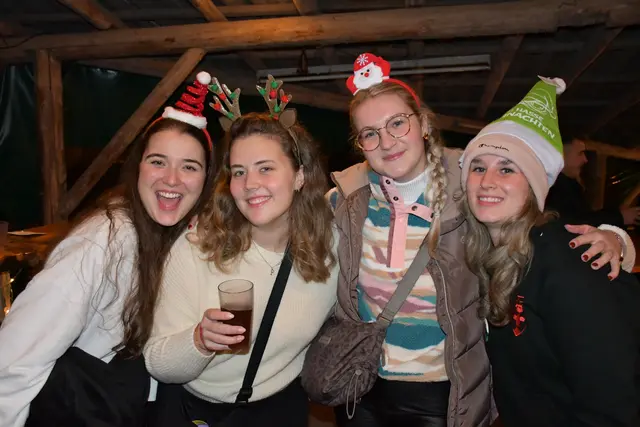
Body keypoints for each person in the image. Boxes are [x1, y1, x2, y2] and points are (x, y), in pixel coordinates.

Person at [323, 53, 634, 427]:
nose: (387, 141)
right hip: (363, 382)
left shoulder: (468, 182)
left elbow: (538, 225)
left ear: (423, 123)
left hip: (444, 390)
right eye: (370, 133)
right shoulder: (346, 200)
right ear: (360, 144)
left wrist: (615, 239)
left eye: (398, 123)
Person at [0, 72, 217, 427]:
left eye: (189, 167)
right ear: (138, 167)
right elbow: (15, 356)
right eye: (158, 161)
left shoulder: (174, 237)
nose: (172, 179)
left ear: (206, 179)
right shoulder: (103, 239)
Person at [144, 76, 338, 427]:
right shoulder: (197, 248)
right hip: (199, 413)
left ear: (299, 176)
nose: (250, 184)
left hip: (281, 411)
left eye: (266, 168)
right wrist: (201, 340)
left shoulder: (331, 248)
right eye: (239, 172)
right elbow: (158, 363)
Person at [460, 76, 640, 427]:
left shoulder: (568, 265)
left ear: (535, 185)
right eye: (478, 167)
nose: (487, 180)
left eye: (507, 169)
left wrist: (617, 239)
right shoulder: (489, 256)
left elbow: (611, 404)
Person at [546, 138, 640, 227]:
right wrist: (620, 217)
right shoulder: (554, 190)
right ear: (562, 156)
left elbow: (585, 217)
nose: (585, 159)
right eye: (580, 153)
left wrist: (618, 215)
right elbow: (575, 223)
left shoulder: (569, 185)